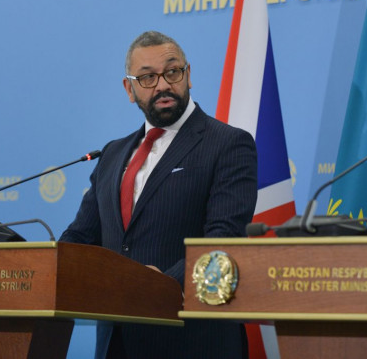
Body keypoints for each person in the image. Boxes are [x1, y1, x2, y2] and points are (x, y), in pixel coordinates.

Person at [60, 31, 257, 359]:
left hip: (191, 341)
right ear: (129, 89)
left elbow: (224, 240)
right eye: (148, 77)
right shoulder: (112, 154)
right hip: (116, 341)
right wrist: (45, 267)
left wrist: (161, 286)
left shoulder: (227, 144)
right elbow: (81, 236)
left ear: (188, 75)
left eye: (172, 72)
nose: (163, 85)